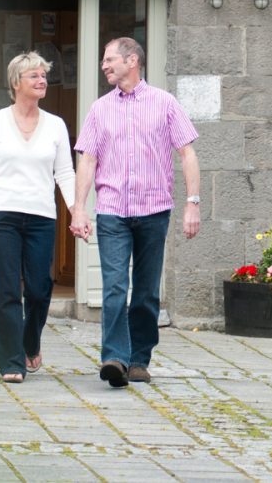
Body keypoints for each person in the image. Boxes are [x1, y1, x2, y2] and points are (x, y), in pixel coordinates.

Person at [70, 37, 200, 387]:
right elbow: (89, 159)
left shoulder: (165, 103)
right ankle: (114, 357)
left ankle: (139, 358)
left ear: (132, 60)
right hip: (112, 211)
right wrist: (79, 209)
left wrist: (193, 203)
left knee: (145, 292)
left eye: (109, 59)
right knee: (114, 287)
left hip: (154, 212)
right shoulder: (100, 108)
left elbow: (187, 153)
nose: (104, 66)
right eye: (103, 61)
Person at [0, 51, 77, 384]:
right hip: (2, 216)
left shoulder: (56, 125)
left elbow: (66, 173)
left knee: (41, 290)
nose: (42, 80)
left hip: (42, 218)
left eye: (44, 75)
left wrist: (77, 211)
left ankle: (30, 342)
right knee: (9, 290)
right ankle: (12, 362)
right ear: (16, 82)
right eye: (34, 75)